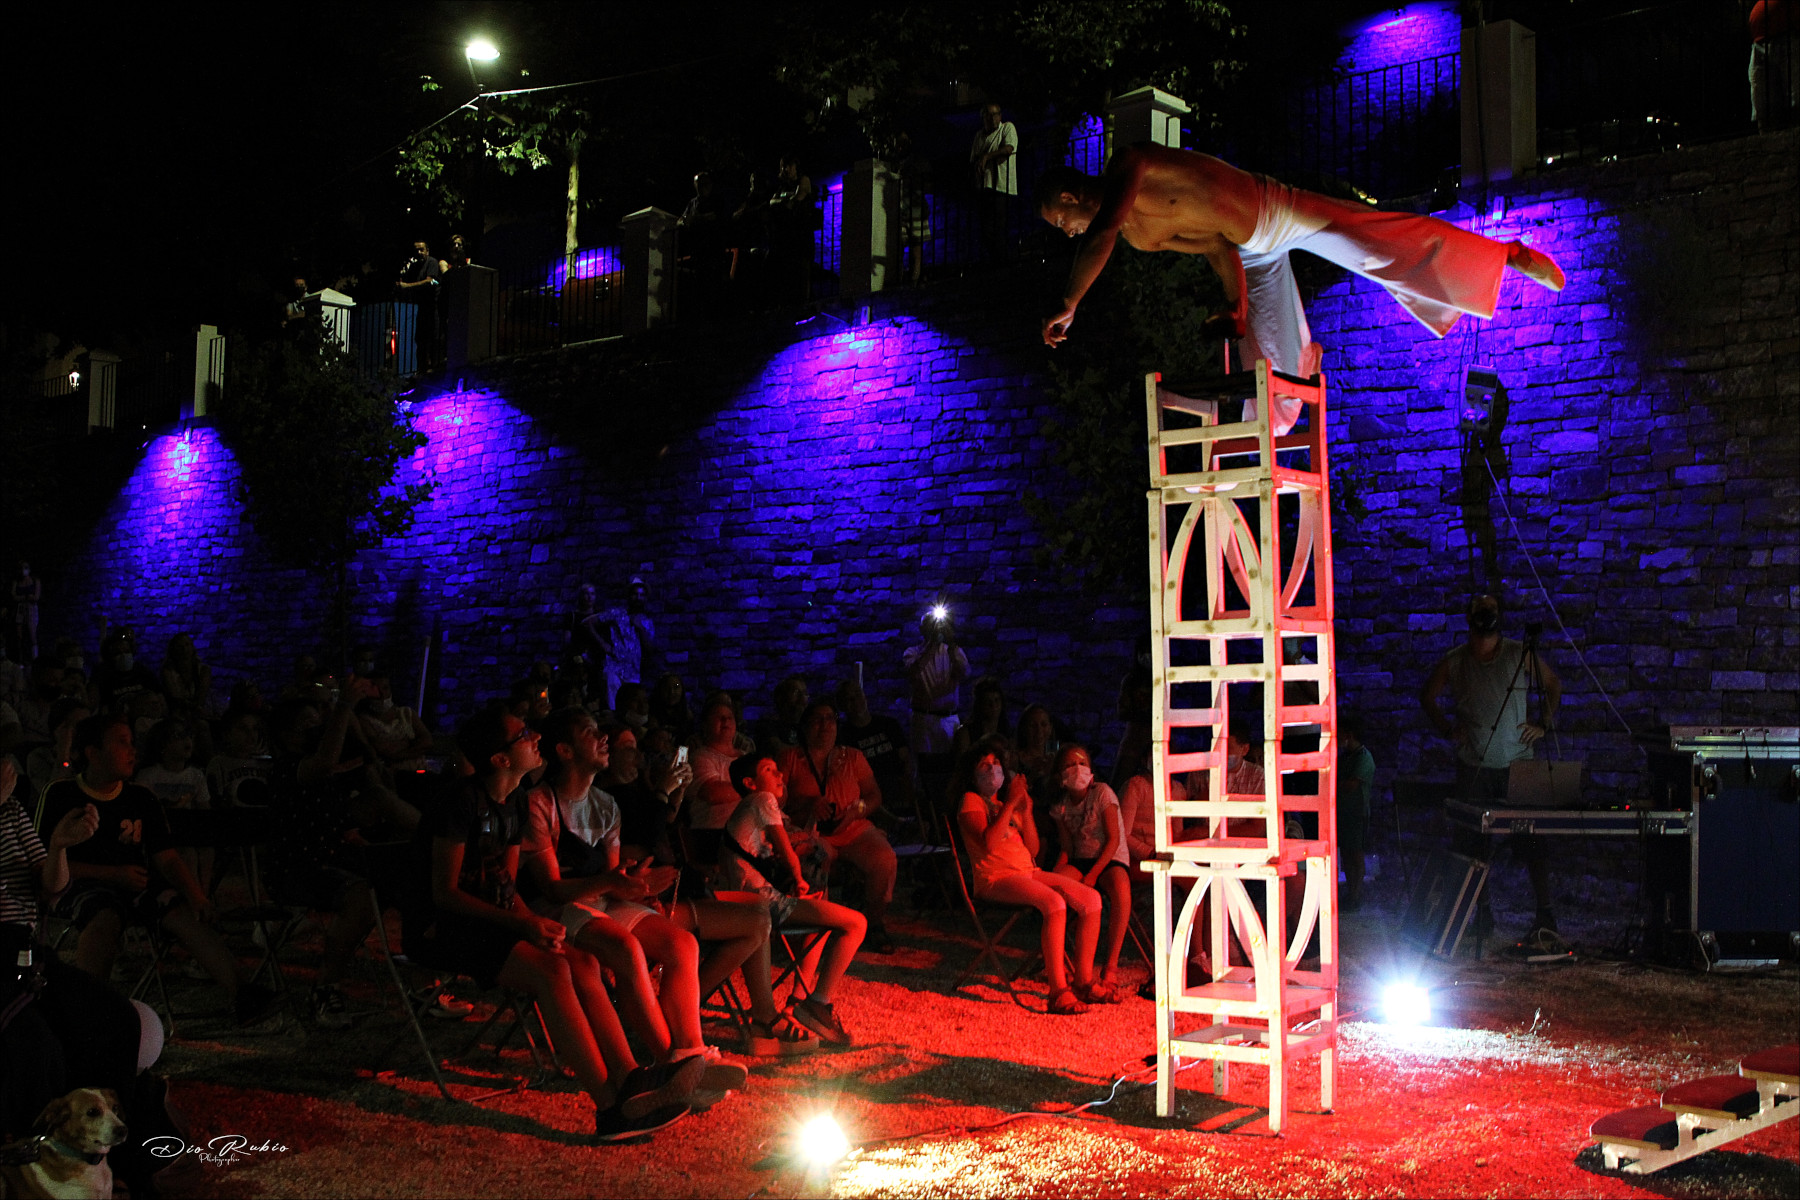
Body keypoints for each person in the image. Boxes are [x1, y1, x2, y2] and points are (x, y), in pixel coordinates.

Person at [1036, 147, 1565, 424]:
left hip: (1275, 209)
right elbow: (1218, 248)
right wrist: (1234, 308)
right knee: (1272, 368)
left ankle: (1504, 256)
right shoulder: (1140, 235)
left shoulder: (1132, 163)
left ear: (1069, 195)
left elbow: (1098, 231)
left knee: (1374, 246)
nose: (1068, 232)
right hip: (1249, 250)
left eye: (1061, 222)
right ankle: (1274, 423)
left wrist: (1070, 302)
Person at [412, 707, 699, 1139]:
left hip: (493, 921)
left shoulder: (513, 805)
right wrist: (522, 925)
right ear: (500, 759)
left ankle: (629, 1081)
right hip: (445, 928)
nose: (533, 737)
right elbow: (444, 894)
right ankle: (609, 1110)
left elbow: (505, 887)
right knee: (555, 970)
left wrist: (531, 922)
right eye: (522, 734)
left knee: (580, 960)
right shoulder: (461, 803)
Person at [521, 707, 763, 1095]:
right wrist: (612, 883)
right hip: (559, 909)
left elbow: (615, 881)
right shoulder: (540, 803)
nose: (602, 738)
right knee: (627, 948)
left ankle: (690, 1053)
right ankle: (673, 1067)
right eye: (589, 732)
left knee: (681, 943)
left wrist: (637, 885)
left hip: (599, 901)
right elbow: (550, 888)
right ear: (564, 750)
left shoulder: (605, 805)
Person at [0, 757, 180, 1199]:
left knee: (118, 1019)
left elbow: (51, 887)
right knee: (36, 1048)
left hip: (26, 951)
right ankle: (36, 1169)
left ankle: (115, 1159)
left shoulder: (11, 809)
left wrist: (60, 846)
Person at [39, 715, 281, 1025]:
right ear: (93, 752)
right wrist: (113, 875)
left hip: (136, 885)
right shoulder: (62, 795)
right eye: (121, 742)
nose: (132, 750)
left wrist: (197, 896)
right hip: (76, 885)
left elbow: (166, 857)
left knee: (180, 911)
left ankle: (243, 993)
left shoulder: (141, 798)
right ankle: (87, 1009)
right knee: (104, 914)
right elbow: (43, 862)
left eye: (132, 742)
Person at [1420, 594, 1563, 936]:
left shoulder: (1518, 654)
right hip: (1475, 767)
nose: (1487, 617)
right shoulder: (1456, 661)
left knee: (1533, 843)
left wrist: (1543, 722)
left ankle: (1545, 915)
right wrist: (1447, 729)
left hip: (1518, 765)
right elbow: (1427, 696)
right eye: (1481, 612)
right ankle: (1481, 915)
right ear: (1469, 618)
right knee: (1473, 844)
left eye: (1492, 611)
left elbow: (1553, 683)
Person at [719, 751, 865, 1045]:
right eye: (769, 769)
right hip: (758, 901)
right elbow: (786, 850)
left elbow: (796, 837)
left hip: (752, 900)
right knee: (856, 923)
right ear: (750, 782)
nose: (780, 775)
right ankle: (816, 1004)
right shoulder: (761, 800)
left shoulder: (754, 806)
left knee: (823, 912)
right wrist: (798, 879)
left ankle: (799, 1001)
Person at [954, 737, 1107, 1013]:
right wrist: (1012, 803)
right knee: (1054, 903)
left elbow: (1034, 849)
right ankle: (1058, 991)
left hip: (1027, 871)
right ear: (972, 774)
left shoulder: (1005, 806)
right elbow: (988, 843)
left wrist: (1025, 809)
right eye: (984, 765)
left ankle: (1083, 980)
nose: (992, 769)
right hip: (995, 878)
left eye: (996, 763)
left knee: (1091, 899)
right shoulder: (971, 801)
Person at [778, 701, 897, 953]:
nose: (825, 726)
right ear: (806, 725)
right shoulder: (790, 758)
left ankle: (873, 922)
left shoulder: (852, 756)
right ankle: (817, 926)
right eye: (818, 720)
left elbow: (874, 795)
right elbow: (777, 802)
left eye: (830, 719)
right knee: (817, 857)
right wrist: (808, 805)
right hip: (810, 830)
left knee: (884, 858)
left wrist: (857, 810)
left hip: (852, 828)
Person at [1047, 743, 1131, 988]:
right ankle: (1059, 957)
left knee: (1121, 890)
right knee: (1054, 888)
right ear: (1060, 774)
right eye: (1070, 765)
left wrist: (1094, 875)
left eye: (1082, 763)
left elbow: (1114, 838)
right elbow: (1067, 847)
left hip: (1109, 857)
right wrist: (1055, 873)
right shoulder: (1061, 805)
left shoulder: (1103, 793)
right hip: (1080, 859)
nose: (1077, 769)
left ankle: (1111, 965)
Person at [903, 609, 969, 760]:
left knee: (952, 762)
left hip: (949, 718)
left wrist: (951, 642)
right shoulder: (912, 652)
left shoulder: (952, 651)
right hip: (924, 718)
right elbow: (914, 673)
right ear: (921, 629)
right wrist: (932, 644)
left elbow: (964, 673)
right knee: (924, 764)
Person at [1336, 710, 1375, 912]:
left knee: (1356, 855)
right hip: (1343, 814)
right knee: (1347, 856)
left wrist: (1334, 785)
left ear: (1349, 734)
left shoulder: (1364, 757)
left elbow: (1351, 785)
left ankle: (1356, 895)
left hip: (1357, 814)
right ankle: (1350, 894)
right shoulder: (1346, 757)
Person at [970, 103, 1019, 261]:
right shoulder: (979, 136)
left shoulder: (1007, 128)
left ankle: (1002, 261)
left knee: (999, 228)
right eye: (989, 115)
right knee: (986, 229)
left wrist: (986, 157)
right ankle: (998, 260)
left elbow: (1008, 149)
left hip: (1002, 187)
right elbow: (973, 159)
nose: (993, 118)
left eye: (996, 114)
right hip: (985, 187)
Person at [396, 240, 445, 370]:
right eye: (416, 250)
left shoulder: (432, 262)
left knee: (434, 338)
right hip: (422, 307)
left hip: (433, 306)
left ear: (427, 251)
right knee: (420, 339)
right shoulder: (414, 267)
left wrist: (407, 286)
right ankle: (421, 369)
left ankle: (434, 367)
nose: (419, 253)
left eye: (421, 250)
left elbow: (430, 282)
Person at [1750, 0, 1796, 132]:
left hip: (1787, 35)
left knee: (1795, 98)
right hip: (1759, 40)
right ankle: (1766, 141)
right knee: (1762, 105)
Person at [10, 561, 41, 663]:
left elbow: (36, 597)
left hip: (32, 609)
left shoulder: (35, 581)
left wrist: (28, 598)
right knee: (19, 635)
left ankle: (35, 658)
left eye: (26, 567)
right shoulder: (16, 582)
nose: (23, 570)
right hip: (21, 609)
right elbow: (14, 596)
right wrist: (26, 597)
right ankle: (21, 659)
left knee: (33, 634)